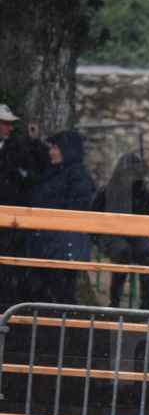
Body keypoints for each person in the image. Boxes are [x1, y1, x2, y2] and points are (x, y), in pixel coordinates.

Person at [23, 130, 96, 305]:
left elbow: (77, 209)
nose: (51, 152)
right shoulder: (54, 173)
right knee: (44, 295)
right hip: (48, 246)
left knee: (60, 296)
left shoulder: (77, 176)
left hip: (62, 248)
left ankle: (64, 330)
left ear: (67, 150)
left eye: (55, 148)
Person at [92, 153, 149, 310]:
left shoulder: (142, 192)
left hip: (137, 234)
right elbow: (94, 217)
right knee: (122, 252)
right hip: (113, 235)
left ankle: (146, 303)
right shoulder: (107, 190)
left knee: (145, 252)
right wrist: (98, 238)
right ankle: (115, 302)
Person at [0, 104, 51, 307]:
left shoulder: (17, 148)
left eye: (9, 124)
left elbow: (39, 167)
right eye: (5, 123)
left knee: (9, 266)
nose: (9, 128)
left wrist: (35, 141)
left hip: (11, 219)